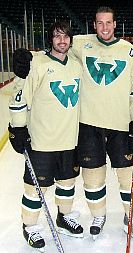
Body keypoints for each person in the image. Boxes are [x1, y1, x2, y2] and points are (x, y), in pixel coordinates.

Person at [69, 6, 133, 241]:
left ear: (115, 24)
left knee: (127, 175)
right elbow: (55, 50)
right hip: (89, 123)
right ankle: (98, 216)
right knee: (93, 176)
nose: (104, 27)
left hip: (120, 124)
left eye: (108, 23)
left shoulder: (131, 52)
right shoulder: (80, 44)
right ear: (94, 25)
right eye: (99, 23)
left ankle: (131, 215)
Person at [8, 21, 83, 252]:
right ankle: (29, 226)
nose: (62, 41)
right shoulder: (37, 63)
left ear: (71, 40)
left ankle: (64, 216)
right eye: (57, 37)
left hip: (69, 139)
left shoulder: (77, 65)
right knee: (35, 189)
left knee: (67, 184)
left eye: (66, 37)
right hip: (42, 141)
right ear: (50, 40)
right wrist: (17, 128)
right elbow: (19, 95)